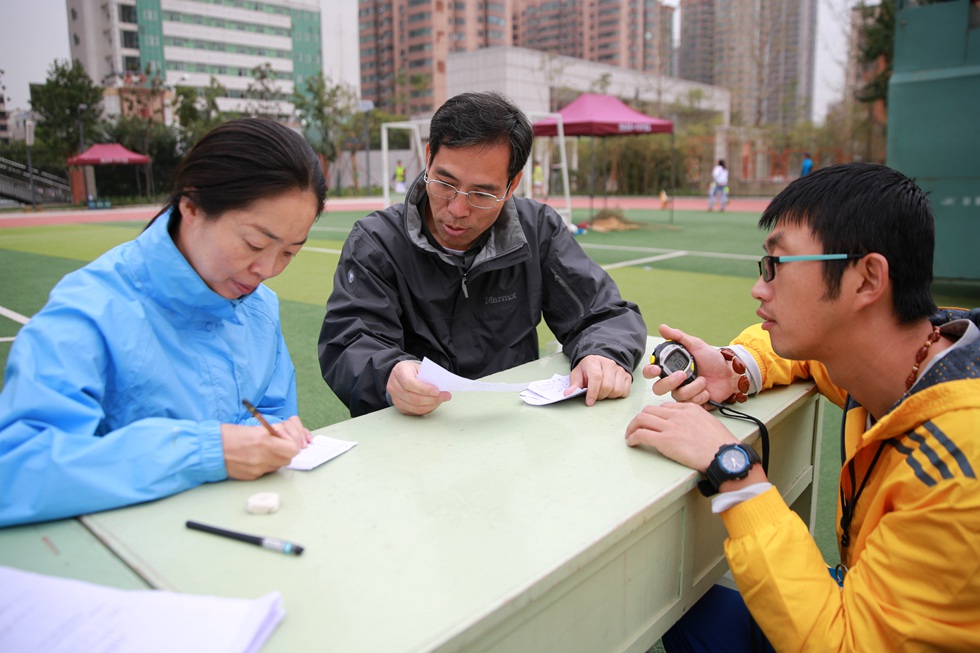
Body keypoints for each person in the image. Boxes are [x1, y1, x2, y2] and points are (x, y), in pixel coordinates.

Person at [625, 163, 980, 651]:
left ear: (867, 279)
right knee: (678, 605)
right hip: (863, 596)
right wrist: (736, 367)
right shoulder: (912, 349)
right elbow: (810, 360)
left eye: (777, 264)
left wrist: (736, 471)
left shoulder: (960, 470)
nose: (759, 287)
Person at [0, 118, 328, 527]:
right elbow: (17, 469)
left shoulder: (259, 308)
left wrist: (276, 435)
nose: (267, 269)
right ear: (191, 207)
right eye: (254, 243)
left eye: (290, 253)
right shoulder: (90, 310)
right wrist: (204, 451)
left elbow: (273, 411)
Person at [319, 91, 647, 417]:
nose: (457, 209)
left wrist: (603, 354)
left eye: (482, 194)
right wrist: (389, 374)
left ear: (512, 185)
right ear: (429, 157)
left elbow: (605, 314)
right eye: (445, 184)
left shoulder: (537, 230)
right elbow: (350, 341)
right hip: (415, 428)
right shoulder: (377, 242)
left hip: (513, 425)